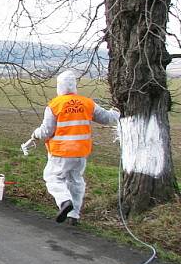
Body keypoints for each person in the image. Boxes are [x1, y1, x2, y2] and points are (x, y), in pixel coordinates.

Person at [26, 70, 120, 225]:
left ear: (59, 86)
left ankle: (64, 202)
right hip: (80, 152)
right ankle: (74, 215)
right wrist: (117, 111)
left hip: (61, 152)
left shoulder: (55, 105)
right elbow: (106, 118)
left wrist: (35, 134)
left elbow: (46, 131)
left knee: (52, 178)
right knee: (76, 182)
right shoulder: (87, 103)